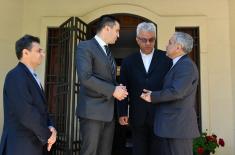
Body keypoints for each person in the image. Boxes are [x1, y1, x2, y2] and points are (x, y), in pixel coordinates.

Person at [76, 15, 128, 155]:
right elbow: (85, 78)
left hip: (108, 114)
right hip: (92, 112)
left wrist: (118, 87)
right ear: (106, 28)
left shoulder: (108, 51)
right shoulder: (85, 47)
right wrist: (113, 90)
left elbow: (107, 79)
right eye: (117, 31)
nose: (118, 35)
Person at [141, 32, 200, 155]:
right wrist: (153, 93)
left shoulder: (186, 66)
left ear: (178, 47)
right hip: (173, 126)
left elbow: (177, 92)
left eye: (170, 42)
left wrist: (153, 96)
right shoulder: (179, 64)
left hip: (178, 127)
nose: (166, 45)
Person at [117, 22, 172, 155]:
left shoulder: (166, 59)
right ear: (137, 39)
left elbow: (171, 87)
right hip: (137, 116)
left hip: (160, 116)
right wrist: (122, 112)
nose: (148, 43)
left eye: (151, 39)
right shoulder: (128, 61)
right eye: (143, 40)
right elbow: (123, 88)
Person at [0, 35, 57, 155]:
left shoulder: (33, 77)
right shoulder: (15, 76)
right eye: (38, 51)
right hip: (21, 146)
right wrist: (48, 135)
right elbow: (26, 113)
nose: (43, 54)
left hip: (34, 145)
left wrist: (51, 127)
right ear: (25, 52)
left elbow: (43, 109)